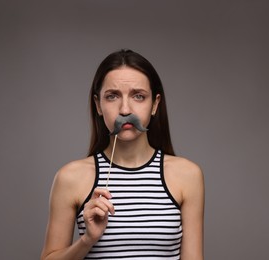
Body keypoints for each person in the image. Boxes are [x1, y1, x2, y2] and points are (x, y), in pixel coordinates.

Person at [41, 49, 205, 260]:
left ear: (155, 104)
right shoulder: (70, 177)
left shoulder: (187, 175)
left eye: (138, 96)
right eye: (112, 96)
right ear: (98, 105)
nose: (125, 109)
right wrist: (87, 240)